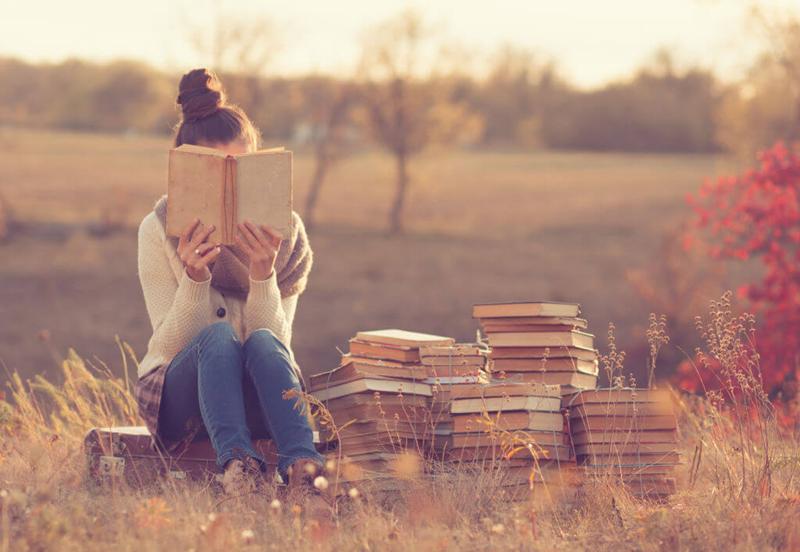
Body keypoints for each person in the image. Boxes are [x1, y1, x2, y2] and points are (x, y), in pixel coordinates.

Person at [133, 68, 326, 507]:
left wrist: (262, 275)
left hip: (258, 393)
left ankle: (304, 468)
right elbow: (169, 342)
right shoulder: (157, 229)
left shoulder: (288, 234)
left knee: (259, 341)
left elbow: (277, 346)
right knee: (216, 337)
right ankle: (239, 469)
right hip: (182, 398)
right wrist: (195, 280)